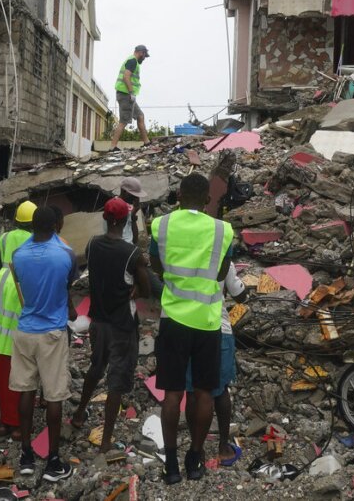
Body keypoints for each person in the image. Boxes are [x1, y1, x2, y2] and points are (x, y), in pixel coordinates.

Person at [150, 173, 233, 484]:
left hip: (173, 319)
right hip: (208, 321)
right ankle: (194, 459)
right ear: (208, 199)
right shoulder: (222, 230)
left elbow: (155, 265)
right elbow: (222, 272)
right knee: (204, 394)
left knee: (172, 395)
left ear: (179, 195)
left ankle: (171, 465)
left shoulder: (162, 224)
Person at [71, 198, 150, 455]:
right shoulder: (132, 254)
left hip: (99, 321)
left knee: (96, 366)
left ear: (105, 219)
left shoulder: (92, 245)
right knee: (116, 381)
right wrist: (136, 287)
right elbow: (146, 288)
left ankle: (80, 412)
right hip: (122, 325)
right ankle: (106, 441)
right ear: (127, 220)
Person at [10, 207, 77, 482]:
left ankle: (26, 455)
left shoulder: (18, 255)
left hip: (25, 329)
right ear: (57, 225)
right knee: (54, 395)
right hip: (52, 332)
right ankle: (52, 460)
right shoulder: (65, 255)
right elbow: (67, 285)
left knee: (26, 390)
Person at [183, 262, 248, 467]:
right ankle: (222, 445)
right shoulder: (222, 255)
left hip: (187, 327)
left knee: (193, 391)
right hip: (218, 328)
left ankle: (196, 448)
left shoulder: (183, 254)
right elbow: (240, 295)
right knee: (220, 390)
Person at [0, 200, 37, 439]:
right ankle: (18, 423)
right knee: (23, 367)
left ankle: (5, 421)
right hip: (20, 286)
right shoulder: (34, 240)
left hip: (1, 285)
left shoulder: (4, 237)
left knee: (3, 366)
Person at [109, 45, 151, 150]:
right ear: (141, 52)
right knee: (123, 121)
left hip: (127, 95)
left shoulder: (133, 62)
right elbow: (126, 76)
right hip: (126, 95)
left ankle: (147, 142)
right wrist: (131, 92)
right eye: (144, 55)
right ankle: (112, 146)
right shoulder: (132, 61)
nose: (144, 58)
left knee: (140, 116)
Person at [103, 177, 148, 245]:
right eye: (135, 195)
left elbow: (134, 240)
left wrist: (134, 212)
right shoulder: (113, 208)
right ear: (124, 191)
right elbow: (119, 240)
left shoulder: (128, 208)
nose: (137, 198)